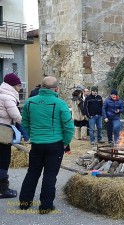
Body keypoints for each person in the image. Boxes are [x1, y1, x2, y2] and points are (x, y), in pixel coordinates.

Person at [19, 76, 74, 213]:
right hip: (55, 144)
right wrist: (65, 143)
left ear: (41, 87)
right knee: (50, 175)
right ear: (56, 88)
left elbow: (24, 122)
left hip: (37, 144)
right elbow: (68, 127)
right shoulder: (60, 103)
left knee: (32, 172)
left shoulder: (30, 102)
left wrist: (31, 136)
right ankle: (46, 205)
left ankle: (25, 202)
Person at [0, 73, 22, 199]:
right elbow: (16, 116)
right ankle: (3, 189)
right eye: (19, 85)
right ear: (13, 85)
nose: (20, 88)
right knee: (4, 159)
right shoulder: (7, 97)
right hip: (3, 130)